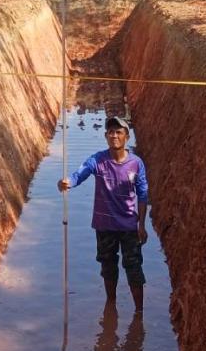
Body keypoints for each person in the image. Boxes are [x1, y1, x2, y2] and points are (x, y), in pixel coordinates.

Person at [58, 115, 150, 311]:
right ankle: (111, 304)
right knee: (108, 266)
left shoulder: (136, 164)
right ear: (105, 136)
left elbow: (143, 195)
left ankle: (139, 313)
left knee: (133, 268)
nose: (114, 136)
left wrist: (142, 224)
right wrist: (68, 183)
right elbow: (79, 175)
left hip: (129, 226)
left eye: (118, 132)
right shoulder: (97, 160)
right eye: (110, 132)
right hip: (104, 226)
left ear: (126, 137)